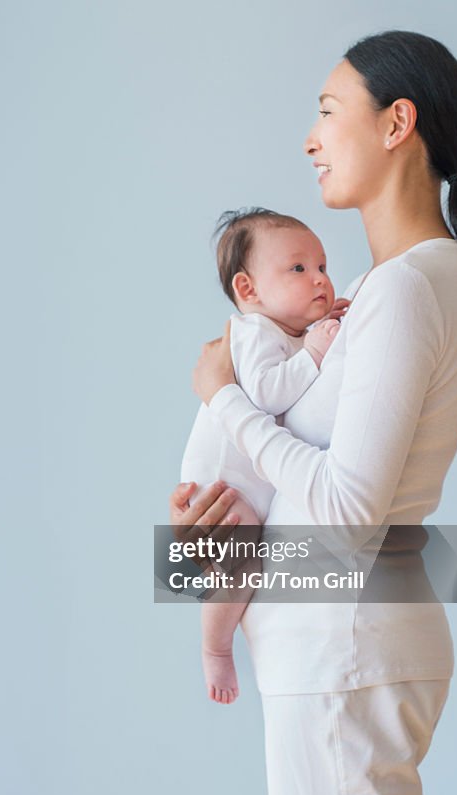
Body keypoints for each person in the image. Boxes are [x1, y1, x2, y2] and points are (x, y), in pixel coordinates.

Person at [170, 30, 457, 795]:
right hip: (334, 649)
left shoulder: (406, 289)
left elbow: (349, 513)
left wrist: (225, 400)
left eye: (329, 111)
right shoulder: (386, 290)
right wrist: (218, 537)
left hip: (345, 650)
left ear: (396, 123)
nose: (310, 138)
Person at [179, 207, 345, 704]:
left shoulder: (286, 332)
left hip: (243, 489)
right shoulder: (251, 332)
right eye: (298, 269)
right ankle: (215, 646)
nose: (319, 278)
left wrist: (317, 333)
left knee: (247, 559)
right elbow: (271, 393)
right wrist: (314, 352)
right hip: (218, 488)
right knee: (240, 563)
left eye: (322, 266)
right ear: (248, 290)